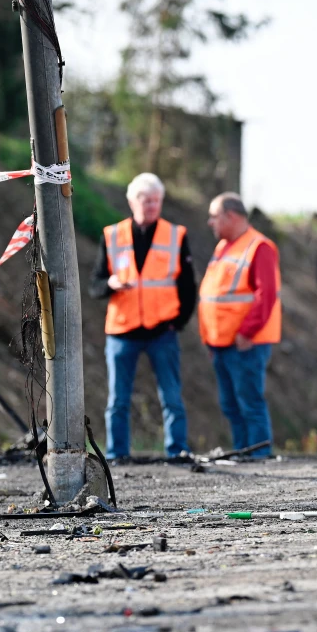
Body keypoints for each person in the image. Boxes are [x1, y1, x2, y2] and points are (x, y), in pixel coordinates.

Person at [91, 172, 195, 460]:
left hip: (162, 331)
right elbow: (95, 284)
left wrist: (178, 322)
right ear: (131, 201)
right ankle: (116, 454)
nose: (151, 205)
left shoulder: (176, 236)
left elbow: (188, 286)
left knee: (172, 398)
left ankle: (177, 451)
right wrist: (109, 284)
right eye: (145, 200)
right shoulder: (112, 235)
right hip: (122, 332)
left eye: (156, 200)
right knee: (117, 400)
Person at [199, 192, 282, 458]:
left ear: (231, 216)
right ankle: (244, 454)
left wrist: (247, 332)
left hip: (246, 342)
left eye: (214, 216)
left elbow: (266, 295)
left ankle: (259, 455)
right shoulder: (223, 247)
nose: (210, 223)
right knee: (231, 405)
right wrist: (210, 338)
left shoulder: (259, 247)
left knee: (249, 402)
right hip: (221, 342)